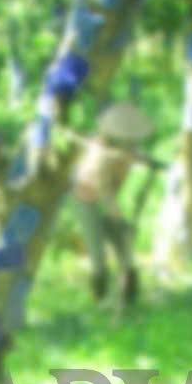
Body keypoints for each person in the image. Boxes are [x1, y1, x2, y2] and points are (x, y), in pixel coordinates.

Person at [70, 99, 157, 307]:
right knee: (98, 254)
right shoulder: (99, 154)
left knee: (125, 250)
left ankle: (129, 298)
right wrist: (114, 213)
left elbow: (132, 157)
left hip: (106, 200)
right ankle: (100, 298)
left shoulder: (124, 151)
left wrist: (146, 161)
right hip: (87, 201)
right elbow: (104, 189)